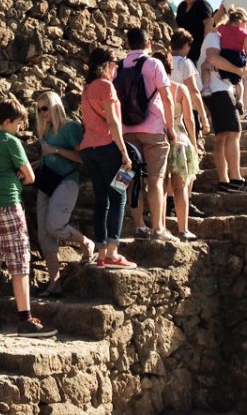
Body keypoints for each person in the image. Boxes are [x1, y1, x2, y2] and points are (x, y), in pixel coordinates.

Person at [0, 101, 56, 338]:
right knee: (19, 260)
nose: (20, 129)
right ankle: (25, 319)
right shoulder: (12, 142)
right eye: (19, 124)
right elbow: (30, 177)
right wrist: (18, 176)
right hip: (7, 203)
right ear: (9, 121)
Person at [33, 91, 96, 297]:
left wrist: (57, 151)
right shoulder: (46, 130)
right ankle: (54, 283)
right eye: (39, 109)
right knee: (44, 234)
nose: (42, 113)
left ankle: (85, 242)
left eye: (45, 108)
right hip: (47, 181)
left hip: (67, 180)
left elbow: (83, 157)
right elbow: (48, 158)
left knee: (55, 225)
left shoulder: (70, 127)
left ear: (54, 106)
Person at [78, 48, 136, 269]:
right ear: (105, 65)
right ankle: (113, 251)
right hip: (108, 147)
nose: (117, 68)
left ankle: (101, 252)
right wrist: (123, 151)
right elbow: (112, 122)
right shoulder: (106, 86)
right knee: (118, 197)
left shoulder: (87, 89)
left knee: (101, 201)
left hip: (89, 150)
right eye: (114, 64)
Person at [117, 28, 175, 240]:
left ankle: (140, 225)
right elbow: (167, 97)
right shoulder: (153, 64)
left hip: (128, 130)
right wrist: (170, 126)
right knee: (156, 179)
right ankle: (158, 228)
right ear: (148, 43)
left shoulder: (120, 66)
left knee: (133, 180)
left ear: (128, 44)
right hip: (153, 129)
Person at [199, 24, 247, 194]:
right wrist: (238, 71)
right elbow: (212, 58)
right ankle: (235, 179)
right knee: (233, 134)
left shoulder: (221, 38)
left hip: (217, 90)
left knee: (223, 137)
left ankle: (225, 182)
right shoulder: (214, 37)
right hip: (219, 90)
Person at [158, 45, 201, 240]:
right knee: (180, 187)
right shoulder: (180, 89)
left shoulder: (153, 90)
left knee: (161, 185)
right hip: (180, 139)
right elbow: (189, 119)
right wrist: (194, 141)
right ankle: (183, 228)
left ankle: (162, 227)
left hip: (159, 138)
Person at [172, 0, 214, 64]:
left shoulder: (202, 4)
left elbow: (209, 25)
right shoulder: (181, 6)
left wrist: (205, 46)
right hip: (185, 47)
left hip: (200, 45)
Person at [215, 8, 247, 92]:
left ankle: (226, 91)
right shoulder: (243, 33)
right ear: (241, 21)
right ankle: (239, 98)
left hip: (225, 56)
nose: (245, 26)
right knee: (238, 81)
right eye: (245, 23)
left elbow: (216, 35)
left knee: (225, 78)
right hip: (238, 57)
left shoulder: (222, 28)